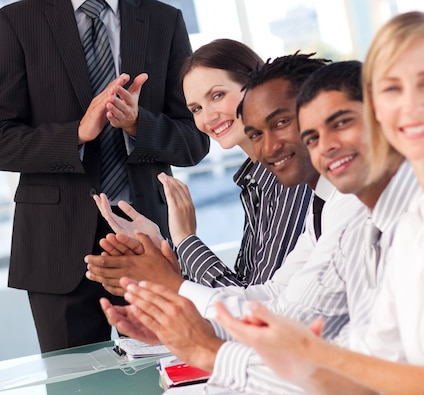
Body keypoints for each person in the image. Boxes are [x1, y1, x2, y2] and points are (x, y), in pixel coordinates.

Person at [215, 10, 424, 395]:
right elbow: (373, 355)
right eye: (392, 89)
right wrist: (295, 360)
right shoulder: (418, 216)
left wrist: (307, 353)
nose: (410, 106)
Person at [101, 60, 419, 394]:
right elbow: (273, 301)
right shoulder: (310, 199)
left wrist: (180, 285)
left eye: (218, 95)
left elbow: (299, 325)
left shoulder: (335, 202)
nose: (269, 147)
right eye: (195, 107)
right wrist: (186, 316)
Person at [0, 0, 210, 353]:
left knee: (166, 372)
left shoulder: (165, 19)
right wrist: (77, 134)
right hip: (56, 244)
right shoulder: (17, 21)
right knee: (72, 385)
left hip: (147, 239)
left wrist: (137, 125)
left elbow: (195, 141)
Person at [87, 39, 313, 293]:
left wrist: (186, 239)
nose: (208, 117)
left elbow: (256, 306)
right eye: (196, 108)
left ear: (256, 85)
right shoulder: (257, 181)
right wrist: (163, 248)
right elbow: (242, 290)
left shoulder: (291, 177)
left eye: (217, 96)